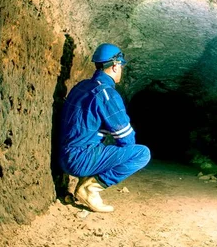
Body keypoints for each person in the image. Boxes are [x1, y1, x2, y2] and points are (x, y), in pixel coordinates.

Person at [59, 43, 150, 212]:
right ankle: (90, 188)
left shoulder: (82, 86)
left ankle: (86, 181)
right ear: (115, 66)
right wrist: (113, 163)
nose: (121, 69)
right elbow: (127, 139)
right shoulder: (106, 93)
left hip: (64, 156)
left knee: (100, 141)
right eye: (121, 66)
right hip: (79, 160)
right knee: (141, 153)